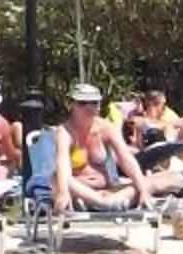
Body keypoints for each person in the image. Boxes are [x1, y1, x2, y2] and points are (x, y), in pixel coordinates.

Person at [54, 85, 175, 215]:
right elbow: (62, 164)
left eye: (94, 103)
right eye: (82, 103)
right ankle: (106, 203)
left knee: (148, 182)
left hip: (107, 189)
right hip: (77, 189)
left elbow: (126, 160)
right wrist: (62, 192)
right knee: (58, 178)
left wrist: (143, 190)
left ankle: (107, 202)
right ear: (71, 104)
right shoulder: (65, 132)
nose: (89, 107)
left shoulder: (106, 128)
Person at [125, 89, 183, 177]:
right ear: (153, 105)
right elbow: (136, 142)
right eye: (163, 105)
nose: (165, 109)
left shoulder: (164, 120)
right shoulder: (138, 120)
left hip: (170, 156)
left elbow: (173, 124)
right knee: (172, 127)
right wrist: (171, 124)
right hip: (155, 157)